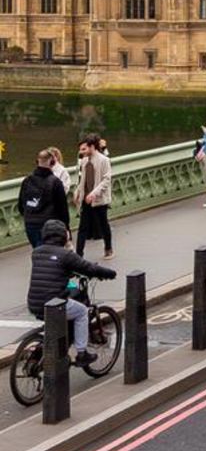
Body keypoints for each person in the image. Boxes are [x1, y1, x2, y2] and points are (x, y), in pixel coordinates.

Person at [27, 219, 116, 368]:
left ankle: (42, 353)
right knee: (81, 312)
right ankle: (82, 353)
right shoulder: (66, 255)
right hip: (55, 304)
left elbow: (52, 270)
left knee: (62, 318)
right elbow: (88, 268)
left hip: (34, 303)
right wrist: (109, 273)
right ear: (64, 236)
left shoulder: (36, 252)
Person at [18, 148, 69, 247]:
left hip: (30, 223)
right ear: (52, 162)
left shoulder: (27, 181)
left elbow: (21, 205)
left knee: (38, 252)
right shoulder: (55, 182)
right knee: (50, 254)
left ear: (37, 162)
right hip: (49, 225)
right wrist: (66, 227)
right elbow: (62, 208)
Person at [74, 136, 114, 259]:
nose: (82, 152)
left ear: (92, 146)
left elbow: (106, 180)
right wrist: (78, 192)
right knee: (82, 228)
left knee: (103, 224)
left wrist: (94, 193)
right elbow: (83, 180)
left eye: (84, 149)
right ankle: (79, 255)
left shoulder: (104, 160)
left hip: (99, 199)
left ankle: (108, 249)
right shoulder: (84, 161)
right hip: (86, 199)